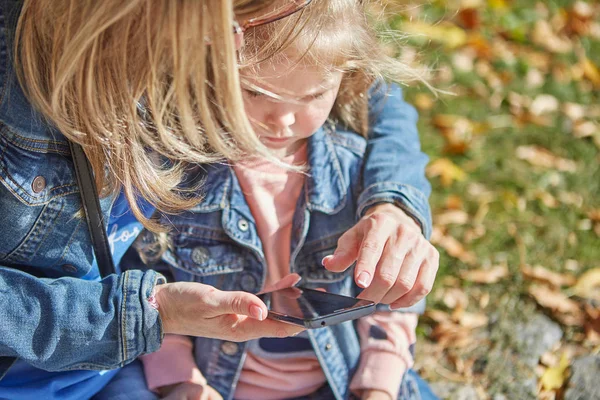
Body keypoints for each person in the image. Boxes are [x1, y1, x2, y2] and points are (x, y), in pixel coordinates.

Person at [0, 0, 436, 398]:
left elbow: (369, 86)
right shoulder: (189, 169)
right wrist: (162, 332)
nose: (282, 119)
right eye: (252, 90)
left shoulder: (340, 144)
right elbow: (146, 271)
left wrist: (395, 204)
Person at [130, 1, 438, 399]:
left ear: (345, 80)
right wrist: (181, 380)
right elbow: (148, 281)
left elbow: (391, 294)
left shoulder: (354, 171)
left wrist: (380, 383)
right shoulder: (178, 174)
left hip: (343, 382)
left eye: (312, 96)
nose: (284, 120)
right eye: (256, 92)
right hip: (213, 384)